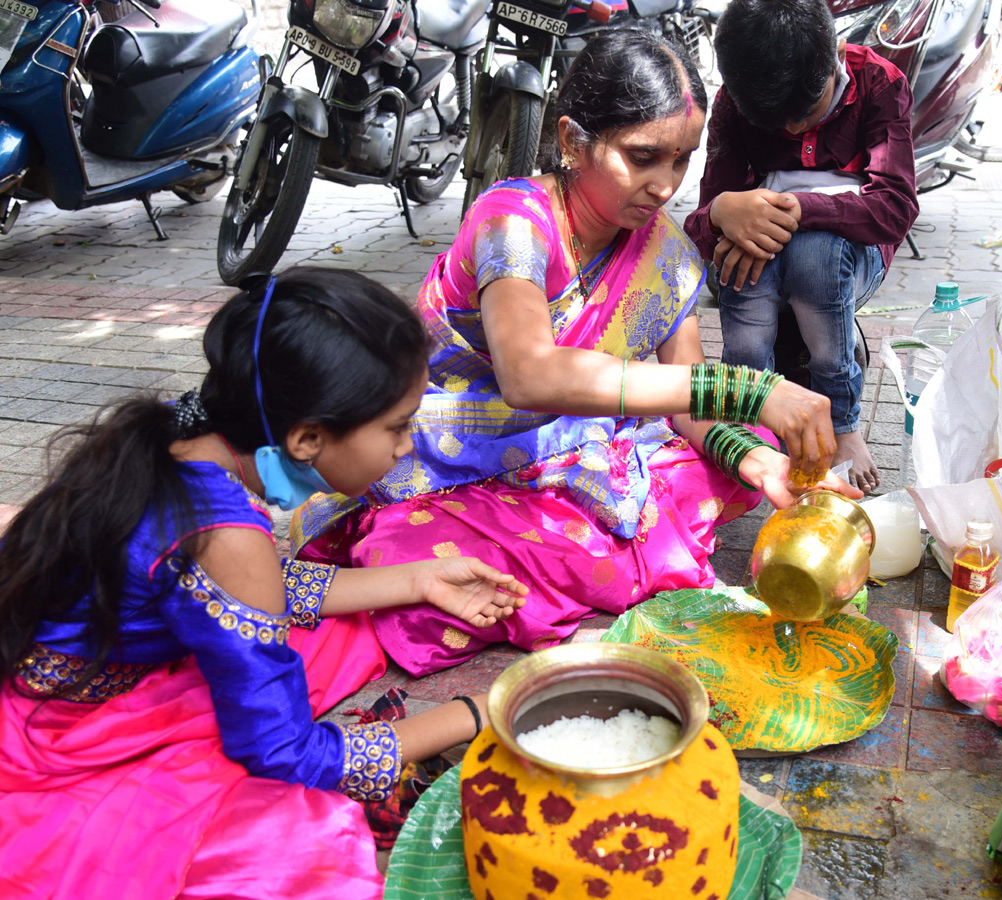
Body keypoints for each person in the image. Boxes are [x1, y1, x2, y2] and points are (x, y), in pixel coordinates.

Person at [294, 30, 860, 677]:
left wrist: (754, 459)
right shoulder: (514, 221)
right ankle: (580, 559)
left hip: (579, 447)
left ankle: (578, 555)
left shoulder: (666, 252)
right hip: (452, 460)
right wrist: (750, 388)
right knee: (419, 574)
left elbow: (685, 397)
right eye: (643, 157)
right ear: (571, 141)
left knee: (747, 444)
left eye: (681, 161)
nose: (664, 185)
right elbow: (529, 375)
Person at [0, 268, 528, 900]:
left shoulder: (185, 433)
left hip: (68, 657)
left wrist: (418, 579)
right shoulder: (225, 535)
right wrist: (477, 713)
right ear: (307, 438)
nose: (407, 448)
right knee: (299, 843)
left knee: (343, 639)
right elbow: (290, 756)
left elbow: (238, 587)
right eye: (397, 427)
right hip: (66, 733)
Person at [683, 0, 920, 493]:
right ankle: (752, 423)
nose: (791, 130)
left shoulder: (879, 84)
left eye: (805, 113)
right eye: (775, 123)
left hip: (850, 254)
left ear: (834, 58)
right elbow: (700, 225)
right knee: (739, 254)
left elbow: (896, 208)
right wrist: (723, 212)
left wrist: (803, 209)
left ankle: (843, 420)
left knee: (814, 251)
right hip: (763, 252)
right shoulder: (735, 102)